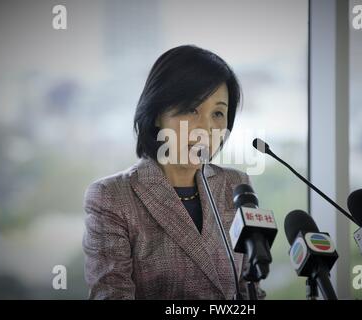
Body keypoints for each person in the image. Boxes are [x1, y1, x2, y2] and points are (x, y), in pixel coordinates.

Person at [82, 45, 266, 299]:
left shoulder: (235, 186)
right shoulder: (112, 197)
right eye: (192, 109)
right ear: (158, 114)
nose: (206, 127)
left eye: (218, 113)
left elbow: (250, 290)